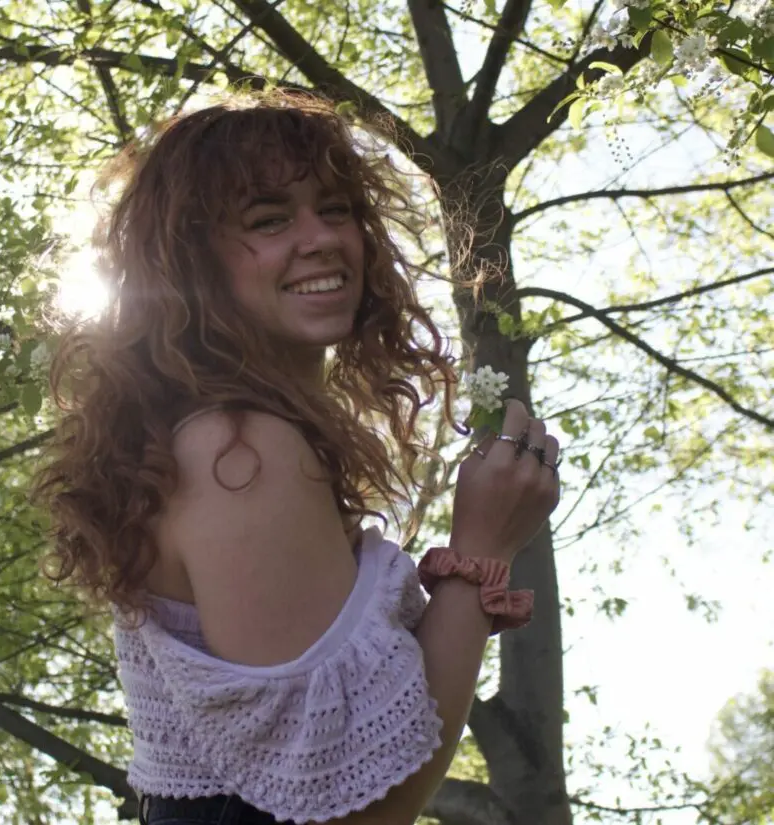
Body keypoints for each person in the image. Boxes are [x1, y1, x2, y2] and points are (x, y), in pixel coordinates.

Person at [34, 91, 560, 825]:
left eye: (337, 208)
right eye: (268, 219)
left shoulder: (212, 440)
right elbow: (354, 812)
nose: (320, 239)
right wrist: (482, 549)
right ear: (194, 261)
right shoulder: (239, 452)